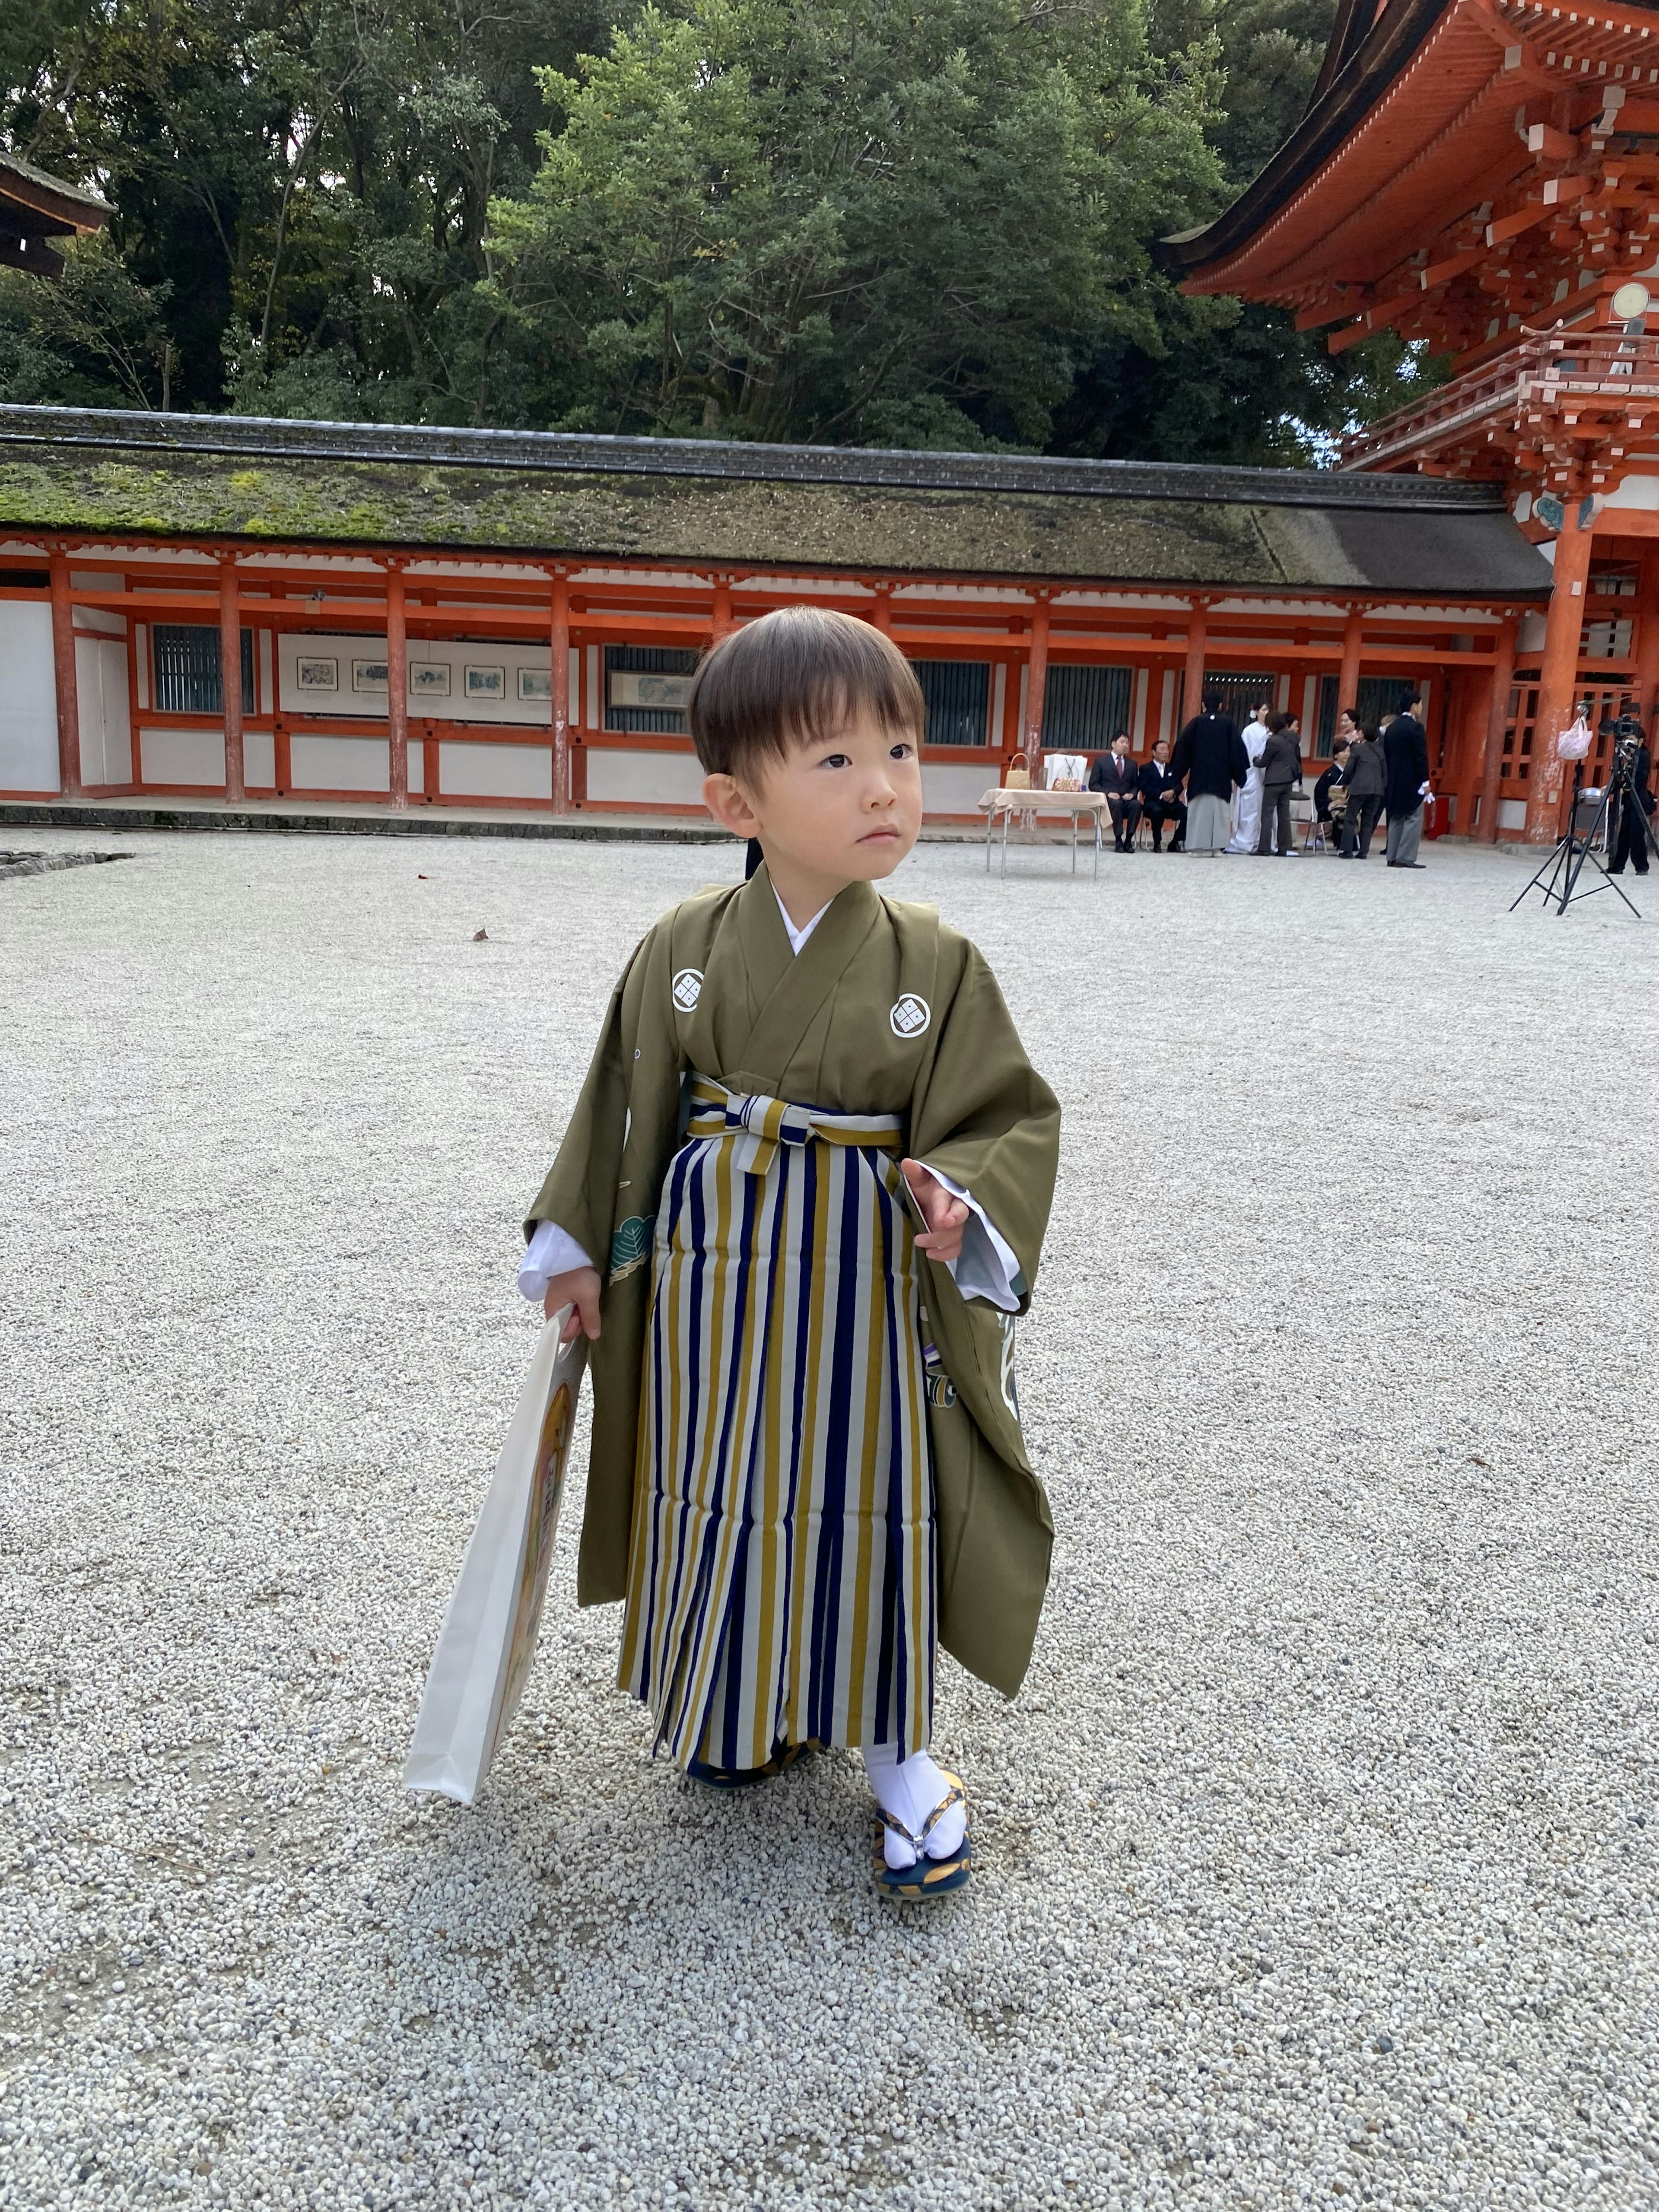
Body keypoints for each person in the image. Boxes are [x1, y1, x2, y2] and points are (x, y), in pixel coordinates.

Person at [516, 606, 1060, 1902]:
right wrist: (577, 1239)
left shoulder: (936, 959)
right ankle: (735, 1701)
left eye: (901, 748)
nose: (883, 784)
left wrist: (959, 1200)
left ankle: (892, 1750)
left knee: (864, 1497)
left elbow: (1001, 1112)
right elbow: (621, 1096)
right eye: (834, 760)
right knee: (720, 1479)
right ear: (733, 797)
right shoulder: (684, 950)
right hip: (714, 1279)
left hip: (863, 1285)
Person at [1171, 693, 1249, 853]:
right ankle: (1216, 849)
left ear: (1203, 705)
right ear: (1221, 706)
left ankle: (1197, 849)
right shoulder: (1228, 724)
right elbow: (1238, 752)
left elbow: (1182, 750)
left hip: (1200, 778)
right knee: (1220, 812)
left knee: (1199, 812)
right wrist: (1239, 776)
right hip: (1221, 778)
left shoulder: (1196, 723)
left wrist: (1177, 776)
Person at [1384, 688, 1433, 868]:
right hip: (1412, 781)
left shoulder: (1392, 728)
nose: (1421, 708)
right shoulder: (1416, 728)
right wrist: (1425, 782)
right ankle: (1406, 858)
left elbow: (1387, 755)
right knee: (1413, 817)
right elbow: (1421, 757)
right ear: (1414, 706)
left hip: (1394, 779)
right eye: (1420, 705)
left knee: (1396, 817)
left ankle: (1392, 857)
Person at [1606, 725, 1655, 876]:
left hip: (1638, 799)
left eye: (1632, 739)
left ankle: (1642, 867)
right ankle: (1617, 866)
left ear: (1640, 741)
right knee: (1624, 835)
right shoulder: (1629, 756)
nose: (1629, 742)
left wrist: (1621, 790)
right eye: (1627, 739)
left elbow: (1637, 780)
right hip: (1629, 801)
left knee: (1636, 835)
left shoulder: (1643, 755)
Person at [1227, 698, 1272, 854]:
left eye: (1268, 710)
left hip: (1268, 775)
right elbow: (1244, 754)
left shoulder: (1273, 731)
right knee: (1250, 809)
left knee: (1265, 811)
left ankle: (1262, 841)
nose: (1266, 713)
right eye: (1264, 710)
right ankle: (1245, 841)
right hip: (1252, 773)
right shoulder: (1249, 731)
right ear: (1257, 712)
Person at [1255, 709, 1303, 856]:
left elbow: (1264, 762)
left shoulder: (1273, 741)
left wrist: (1255, 760)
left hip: (1274, 781)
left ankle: (1264, 848)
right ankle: (1284, 848)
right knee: (1284, 816)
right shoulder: (1294, 739)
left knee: (1268, 814)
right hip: (1288, 781)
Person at [1340, 714, 1387, 858]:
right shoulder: (1381, 750)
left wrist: (1345, 784)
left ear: (1365, 734)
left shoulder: (1358, 749)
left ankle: (1347, 850)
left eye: (1360, 731)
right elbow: (1385, 772)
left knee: (1350, 818)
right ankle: (1363, 852)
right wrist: (1382, 788)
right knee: (1368, 821)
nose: (1358, 733)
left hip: (1359, 787)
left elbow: (1349, 769)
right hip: (1377, 790)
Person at [1088, 731, 1142, 851]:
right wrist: (1109, 794)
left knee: (1137, 805)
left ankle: (1129, 840)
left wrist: (1132, 794)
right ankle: (1118, 840)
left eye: (1127, 743)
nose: (1125, 745)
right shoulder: (1101, 762)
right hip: (1109, 801)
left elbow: (1136, 785)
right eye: (1122, 742)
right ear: (1113, 744)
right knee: (1116, 805)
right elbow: (1093, 784)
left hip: (1126, 800)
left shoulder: (1132, 764)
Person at [1138, 737, 1186, 852]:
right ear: (1154, 752)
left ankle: (1175, 842)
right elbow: (1144, 787)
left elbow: (1180, 785)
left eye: (1167, 750)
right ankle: (1157, 843)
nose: (1166, 752)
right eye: (1162, 749)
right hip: (1153, 803)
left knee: (1189, 814)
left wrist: (1173, 793)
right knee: (1157, 812)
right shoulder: (1146, 768)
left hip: (1171, 803)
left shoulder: (1172, 768)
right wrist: (1162, 795)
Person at [1313, 740, 1350, 851]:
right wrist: (1332, 802)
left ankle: (1351, 844)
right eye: (1343, 751)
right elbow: (1319, 792)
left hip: (1347, 803)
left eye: (1349, 751)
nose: (1347, 754)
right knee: (1340, 813)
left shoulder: (1351, 772)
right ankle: (1342, 845)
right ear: (1336, 755)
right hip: (1331, 805)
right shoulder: (1330, 773)